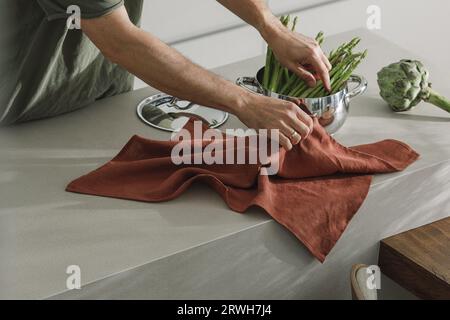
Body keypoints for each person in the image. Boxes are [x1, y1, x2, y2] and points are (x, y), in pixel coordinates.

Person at [0, 0, 331, 150]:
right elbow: (123, 42)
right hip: (21, 115)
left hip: (101, 96)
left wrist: (271, 27)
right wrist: (246, 103)